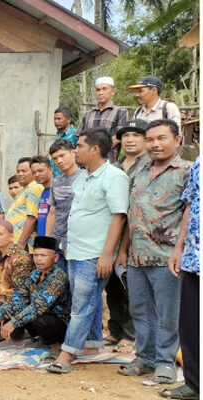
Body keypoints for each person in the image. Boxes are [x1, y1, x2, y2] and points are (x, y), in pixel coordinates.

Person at [48, 128, 129, 374]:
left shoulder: (114, 177)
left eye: (79, 146)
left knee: (81, 305)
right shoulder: (82, 177)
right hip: (75, 250)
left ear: (94, 149)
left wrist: (107, 255)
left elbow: (119, 217)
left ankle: (67, 353)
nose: (75, 151)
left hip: (94, 253)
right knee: (87, 301)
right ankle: (92, 345)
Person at [115, 119, 190, 384]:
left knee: (168, 314)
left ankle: (165, 363)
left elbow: (189, 215)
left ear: (177, 140)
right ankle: (144, 358)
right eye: (151, 139)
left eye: (161, 138)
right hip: (136, 258)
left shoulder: (186, 172)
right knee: (140, 312)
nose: (155, 144)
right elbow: (130, 215)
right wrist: (123, 250)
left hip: (167, 259)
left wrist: (179, 250)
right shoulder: (139, 171)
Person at [105, 120, 150, 350]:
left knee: (132, 289)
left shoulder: (150, 165)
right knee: (112, 286)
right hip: (111, 234)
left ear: (145, 139)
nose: (130, 139)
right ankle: (115, 329)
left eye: (136, 135)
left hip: (138, 236)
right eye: (126, 135)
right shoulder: (113, 166)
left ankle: (131, 335)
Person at [0, 236, 70, 349]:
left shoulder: (59, 277)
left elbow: (38, 307)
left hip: (58, 324)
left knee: (39, 319)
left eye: (43, 255)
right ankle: (36, 337)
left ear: (55, 258)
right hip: (39, 317)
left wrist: (13, 323)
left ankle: (55, 345)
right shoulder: (35, 274)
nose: (38, 259)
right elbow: (19, 296)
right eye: (36, 255)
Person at [162, 156, 199, 400]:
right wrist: (178, 248)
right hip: (195, 258)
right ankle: (194, 385)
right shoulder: (199, 164)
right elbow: (190, 204)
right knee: (192, 324)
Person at [75, 77, 130, 162]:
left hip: (108, 163)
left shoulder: (121, 112)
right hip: (86, 163)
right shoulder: (88, 114)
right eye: (98, 90)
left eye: (104, 89)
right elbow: (80, 137)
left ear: (112, 92)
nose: (100, 93)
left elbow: (119, 136)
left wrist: (97, 151)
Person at [45, 140, 83, 253]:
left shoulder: (85, 178)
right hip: (57, 240)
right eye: (55, 158)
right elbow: (52, 212)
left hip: (76, 242)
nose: (59, 161)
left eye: (62, 155)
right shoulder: (56, 182)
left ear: (73, 153)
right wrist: (48, 240)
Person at [6, 157, 43, 250]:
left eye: (24, 171)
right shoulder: (25, 189)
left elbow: (32, 218)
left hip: (25, 245)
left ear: (33, 171)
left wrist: (21, 243)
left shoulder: (35, 188)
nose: (20, 174)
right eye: (18, 171)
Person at [50, 106, 77, 177]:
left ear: (68, 120)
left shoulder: (75, 135)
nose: (56, 121)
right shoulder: (58, 134)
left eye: (59, 119)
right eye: (54, 119)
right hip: (56, 176)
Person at [30, 156, 53, 237]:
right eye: (34, 172)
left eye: (40, 171)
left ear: (50, 169)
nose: (37, 174)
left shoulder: (57, 190)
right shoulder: (43, 192)